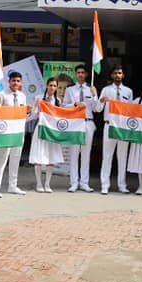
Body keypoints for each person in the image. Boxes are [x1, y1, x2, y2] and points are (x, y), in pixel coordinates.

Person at [96, 65, 133, 194]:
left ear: (123, 75)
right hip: (110, 125)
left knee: (122, 157)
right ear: (112, 75)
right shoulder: (106, 90)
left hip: (123, 127)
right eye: (116, 73)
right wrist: (101, 101)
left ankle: (122, 185)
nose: (118, 75)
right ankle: (105, 185)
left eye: (120, 73)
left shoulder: (128, 91)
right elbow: (97, 109)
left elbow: (132, 110)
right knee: (107, 156)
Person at [0, 71, 28, 197]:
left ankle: (12, 185)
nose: (16, 83)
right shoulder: (2, 95)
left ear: (21, 83)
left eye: (18, 81)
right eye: (13, 81)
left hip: (18, 132)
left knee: (15, 159)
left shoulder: (22, 96)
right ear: (9, 82)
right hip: (5, 133)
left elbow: (23, 114)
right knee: (1, 159)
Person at [62, 65, 97, 193]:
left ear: (86, 74)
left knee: (86, 154)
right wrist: (75, 104)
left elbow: (97, 109)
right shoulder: (70, 90)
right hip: (75, 123)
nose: (81, 74)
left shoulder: (91, 89)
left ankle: (84, 183)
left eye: (83, 72)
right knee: (74, 154)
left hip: (88, 122)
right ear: (75, 75)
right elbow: (65, 106)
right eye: (78, 72)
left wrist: (94, 96)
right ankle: (74, 183)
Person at [29, 78, 65, 193]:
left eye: (55, 86)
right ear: (46, 85)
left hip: (52, 131)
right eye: (50, 85)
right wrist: (35, 105)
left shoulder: (58, 100)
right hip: (41, 128)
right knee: (39, 157)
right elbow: (34, 116)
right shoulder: (39, 98)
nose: (52, 88)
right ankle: (39, 183)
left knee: (51, 158)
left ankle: (47, 183)